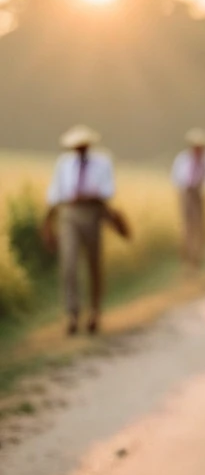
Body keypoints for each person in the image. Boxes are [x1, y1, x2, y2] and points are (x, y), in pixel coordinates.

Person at [43, 125, 115, 335]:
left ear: (88, 146)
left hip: (92, 214)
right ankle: (72, 314)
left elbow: (108, 190)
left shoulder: (103, 163)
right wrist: (47, 223)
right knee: (69, 263)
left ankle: (94, 311)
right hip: (69, 216)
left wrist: (87, 196)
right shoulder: (64, 164)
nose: (80, 149)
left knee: (94, 263)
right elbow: (55, 193)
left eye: (83, 146)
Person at [171, 128, 205, 269]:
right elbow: (176, 178)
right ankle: (188, 255)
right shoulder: (182, 159)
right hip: (186, 194)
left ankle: (198, 256)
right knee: (187, 226)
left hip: (199, 194)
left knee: (200, 226)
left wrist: (201, 189)